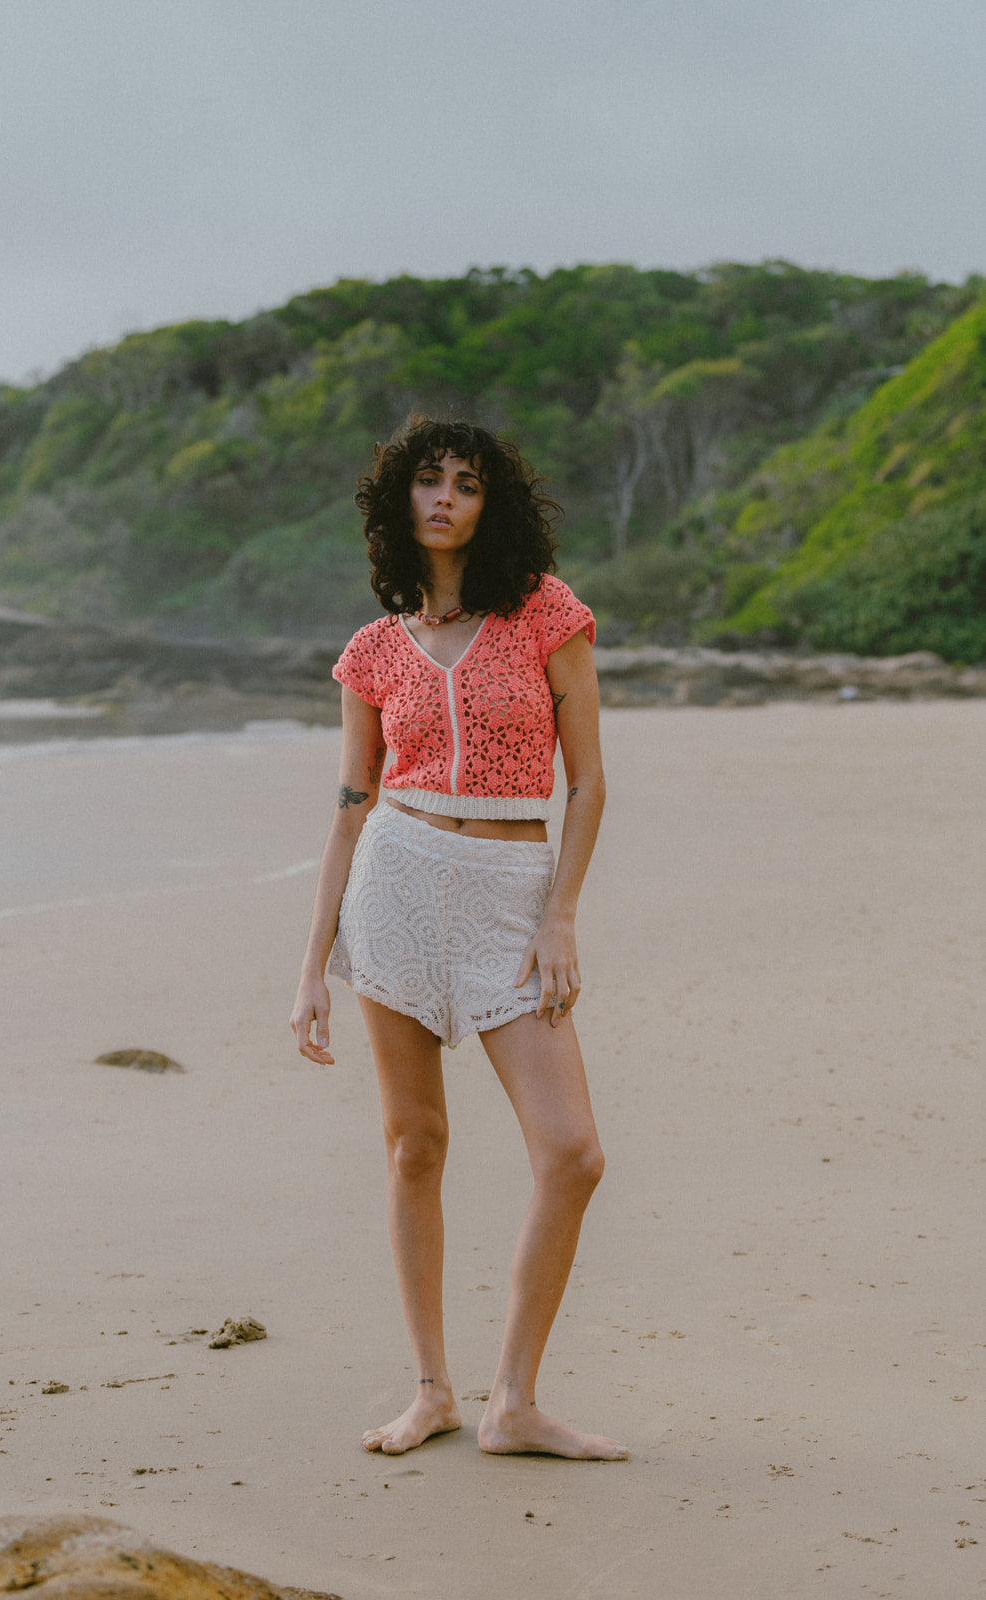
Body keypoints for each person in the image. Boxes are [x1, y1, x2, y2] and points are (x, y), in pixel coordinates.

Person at [290, 415, 627, 1461]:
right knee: (414, 1145)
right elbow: (350, 804)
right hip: (394, 881)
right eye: (426, 480)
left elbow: (589, 782)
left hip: (507, 893)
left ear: (493, 504)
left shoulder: (545, 616)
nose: (444, 497)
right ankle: (432, 1389)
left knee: (570, 1152)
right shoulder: (372, 650)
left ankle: (512, 1401)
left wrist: (559, 913)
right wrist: (310, 965)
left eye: (466, 482)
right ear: (399, 501)